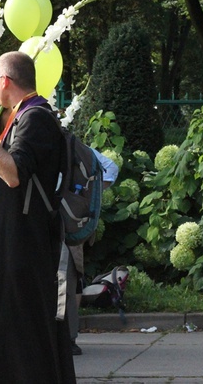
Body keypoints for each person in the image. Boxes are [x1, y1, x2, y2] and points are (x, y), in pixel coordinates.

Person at [0, 51, 76, 383]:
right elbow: (14, 177)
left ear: (6, 81)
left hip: (24, 247)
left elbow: (14, 174)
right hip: (12, 242)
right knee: (8, 328)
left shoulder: (36, 116)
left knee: (21, 330)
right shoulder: (20, 114)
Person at [67, 148, 119, 355]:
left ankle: (69, 337)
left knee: (72, 279)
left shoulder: (74, 144)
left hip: (68, 224)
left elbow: (111, 168)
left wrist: (90, 195)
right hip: (63, 222)